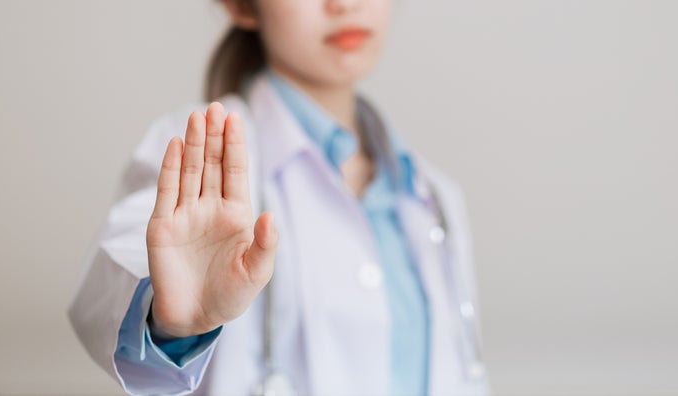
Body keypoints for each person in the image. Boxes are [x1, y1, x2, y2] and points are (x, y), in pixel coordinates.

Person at [68, 0, 489, 395]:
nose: (343, 4)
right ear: (241, 5)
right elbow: (109, 285)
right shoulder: (201, 150)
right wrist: (169, 322)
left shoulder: (434, 195)